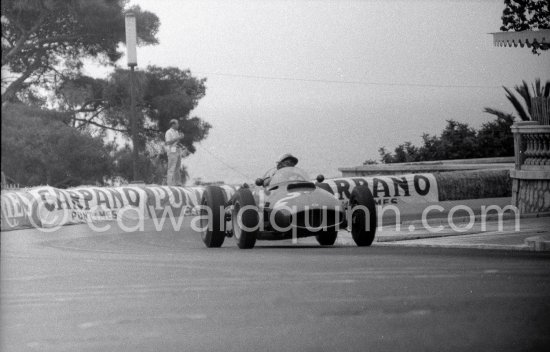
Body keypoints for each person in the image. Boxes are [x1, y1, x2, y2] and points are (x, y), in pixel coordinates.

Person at [165, 119, 186, 186]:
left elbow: (176, 142)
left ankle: (177, 183)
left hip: (177, 150)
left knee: (177, 167)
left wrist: (181, 138)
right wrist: (178, 138)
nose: (178, 125)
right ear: (173, 124)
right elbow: (168, 142)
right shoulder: (168, 132)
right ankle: (170, 183)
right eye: (177, 124)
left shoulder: (176, 132)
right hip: (172, 150)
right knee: (171, 167)